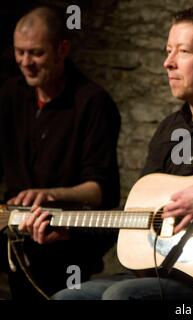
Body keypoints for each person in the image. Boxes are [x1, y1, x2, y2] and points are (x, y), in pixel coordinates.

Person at [52, 6, 193, 300]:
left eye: (183, 51)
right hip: (163, 267)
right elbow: (140, 214)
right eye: (167, 51)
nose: (167, 63)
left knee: (121, 296)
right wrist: (66, 227)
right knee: (68, 297)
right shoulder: (168, 129)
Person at [0, 6, 121, 299]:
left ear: (62, 49)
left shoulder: (93, 103)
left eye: (36, 53)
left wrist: (50, 194)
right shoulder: (10, 95)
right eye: (20, 52)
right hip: (16, 239)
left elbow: (101, 191)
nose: (26, 62)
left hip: (68, 244)